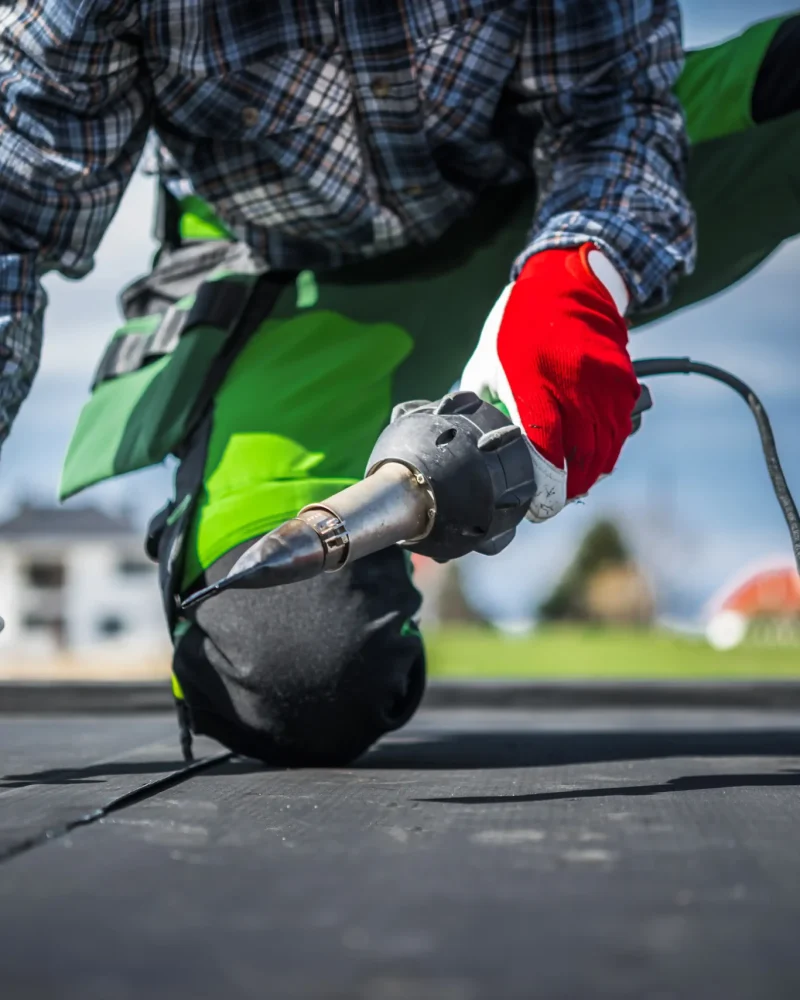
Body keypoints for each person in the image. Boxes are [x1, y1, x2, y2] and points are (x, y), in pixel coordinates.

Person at [1, 4, 797, 763]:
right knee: (303, 678)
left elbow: (614, 106)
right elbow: (11, 215)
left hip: (547, 198)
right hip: (287, 278)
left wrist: (579, 272)